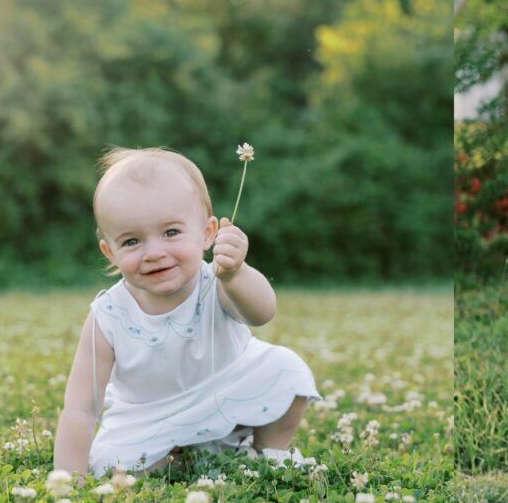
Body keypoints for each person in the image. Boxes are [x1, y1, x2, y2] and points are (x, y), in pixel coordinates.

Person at [53, 147, 320, 478]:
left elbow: (262, 313)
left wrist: (236, 274)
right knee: (110, 465)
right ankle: (182, 456)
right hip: (150, 417)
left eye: (171, 233)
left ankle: (265, 451)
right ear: (110, 251)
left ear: (207, 233)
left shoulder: (217, 280)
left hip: (225, 389)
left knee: (287, 371)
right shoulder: (108, 315)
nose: (154, 252)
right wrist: (69, 479)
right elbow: (80, 408)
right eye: (132, 241)